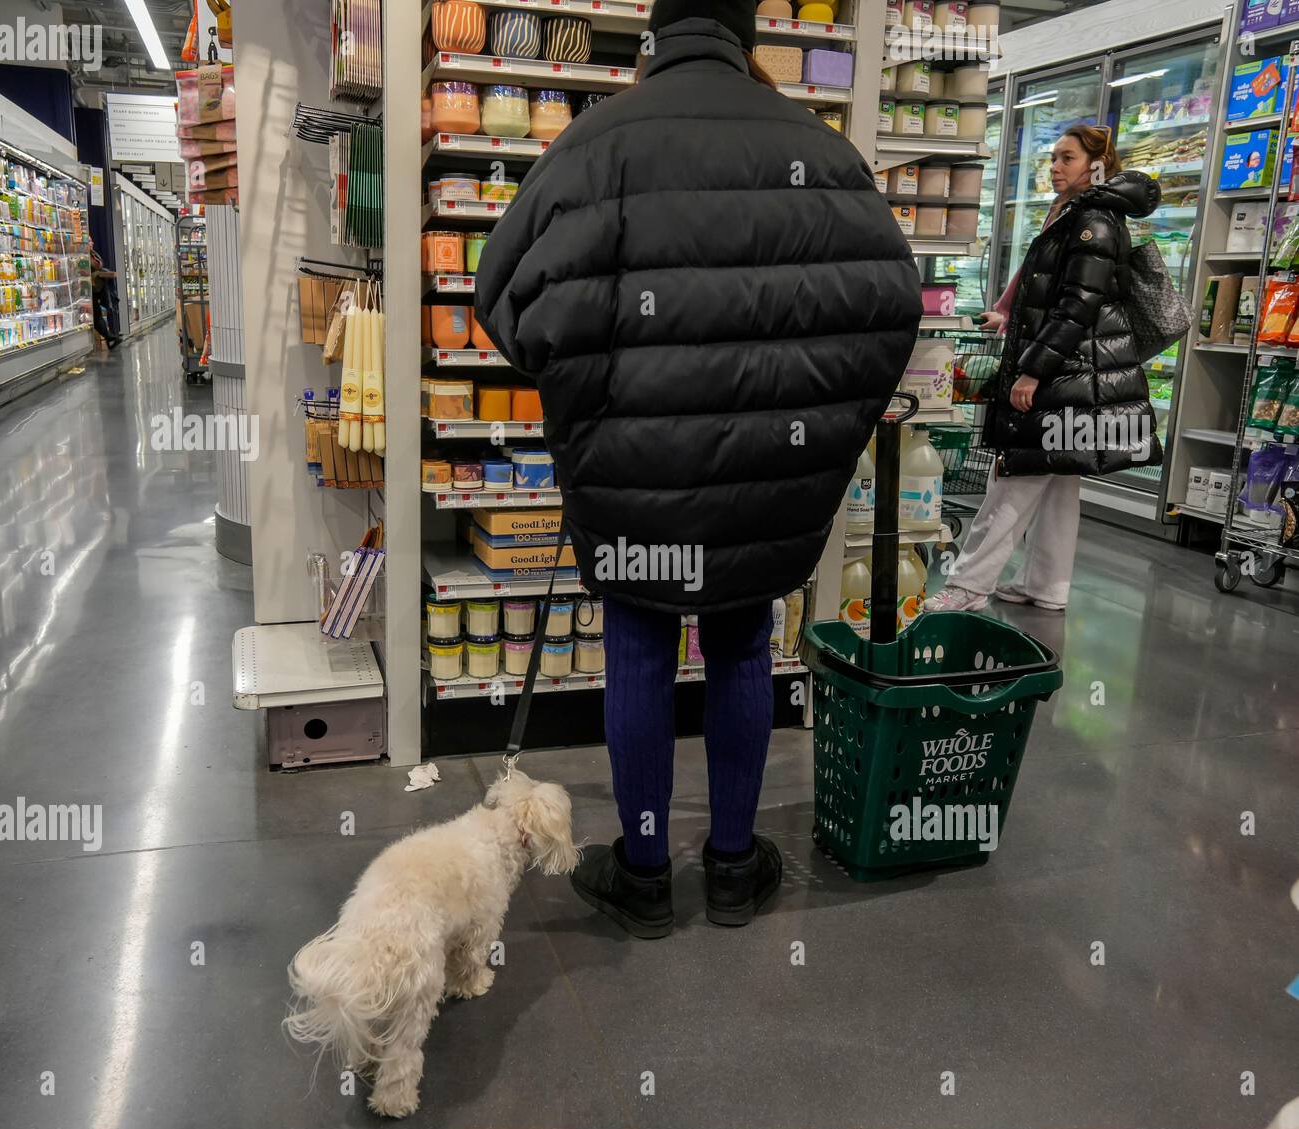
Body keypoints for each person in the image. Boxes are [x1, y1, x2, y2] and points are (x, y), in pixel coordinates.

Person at [476, 0, 920, 937]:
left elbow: (501, 295)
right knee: (743, 643)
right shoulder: (816, 148)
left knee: (636, 645)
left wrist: (578, 388)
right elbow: (890, 302)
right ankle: (730, 864)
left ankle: (642, 872)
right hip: (764, 469)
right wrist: (819, 418)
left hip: (629, 461)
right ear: (745, 32)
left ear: (655, 33)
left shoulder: (595, 143)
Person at [925, 125, 1160, 613]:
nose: (1054, 167)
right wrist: (1007, 313)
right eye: (1053, 157)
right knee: (1059, 480)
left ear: (1095, 166)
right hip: (1078, 368)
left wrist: (1033, 370)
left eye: (1066, 158)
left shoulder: (1094, 218)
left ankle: (967, 585)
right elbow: (1046, 283)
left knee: (1018, 474)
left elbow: (1079, 304)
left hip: (1067, 370)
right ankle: (1047, 585)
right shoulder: (1079, 213)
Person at [89, 246, 122, 349]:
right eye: (89, 241)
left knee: (99, 313)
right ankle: (109, 337)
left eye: (91, 241)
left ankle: (109, 337)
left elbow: (98, 266)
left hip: (97, 288)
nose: (92, 243)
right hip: (89, 288)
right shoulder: (84, 256)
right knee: (96, 315)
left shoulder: (93, 254)